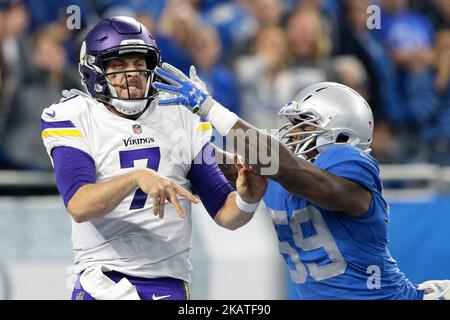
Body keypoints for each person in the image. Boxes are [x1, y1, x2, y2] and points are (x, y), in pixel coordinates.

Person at [151, 62, 450, 300]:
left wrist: (212, 109)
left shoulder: (346, 162)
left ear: (342, 133)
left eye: (303, 124)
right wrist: (189, 128)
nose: (292, 134)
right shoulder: (286, 173)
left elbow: (285, 167)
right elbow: (233, 165)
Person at [40, 16, 267, 300]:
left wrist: (248, 199)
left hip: (170, 282)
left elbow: (225, 212)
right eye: (119, 65)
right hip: (104, 280)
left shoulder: (178, 114)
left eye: (139, 63)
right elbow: (79, 205)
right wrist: (137, 177)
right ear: (94, 71)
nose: (132, 73)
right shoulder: (75, 116)